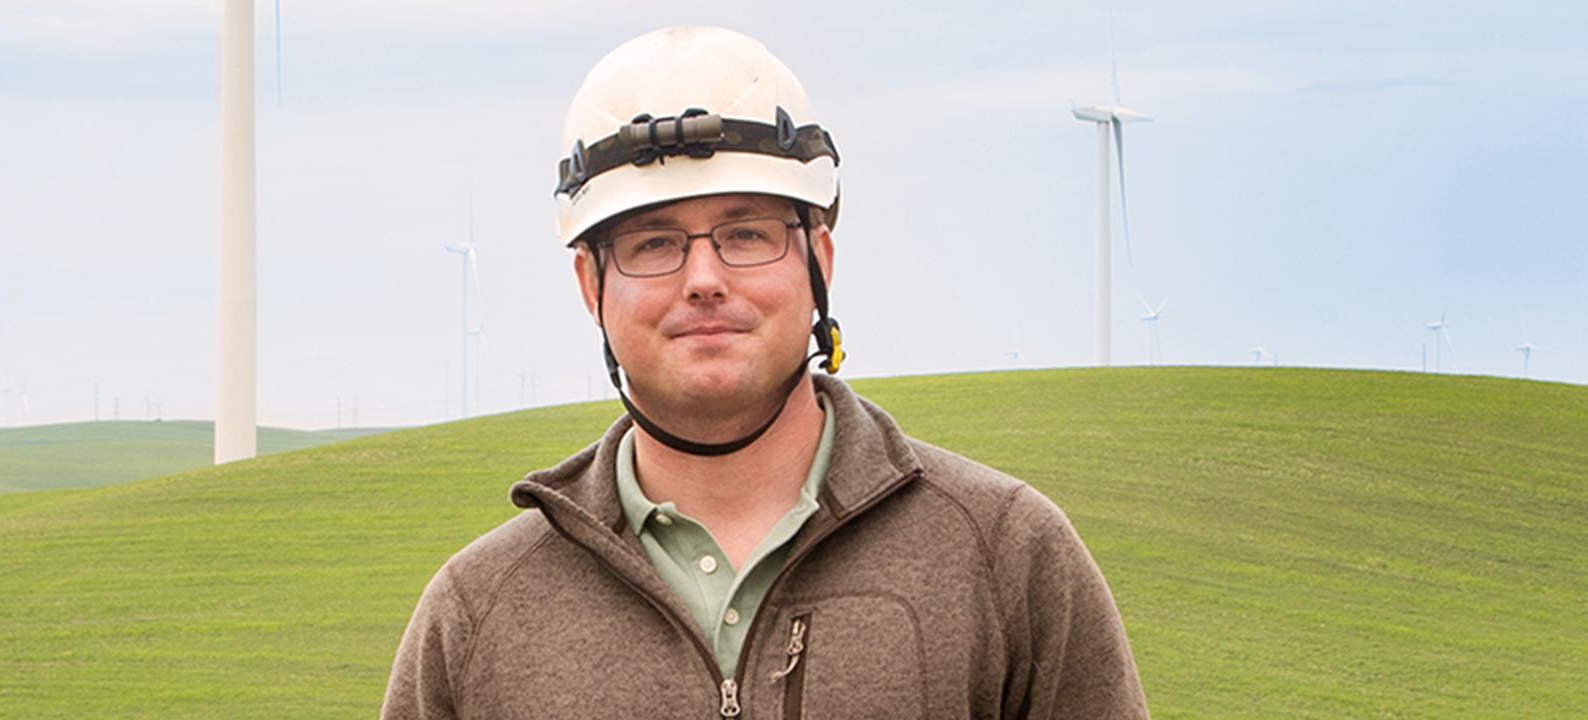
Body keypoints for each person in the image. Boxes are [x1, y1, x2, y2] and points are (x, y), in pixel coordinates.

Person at [382, 26, 1149, 719]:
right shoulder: (478, 612)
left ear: (819, 261)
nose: (704, 279)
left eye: (746, 233)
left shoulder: (1007, 557)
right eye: (654, 243)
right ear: (592, 287)